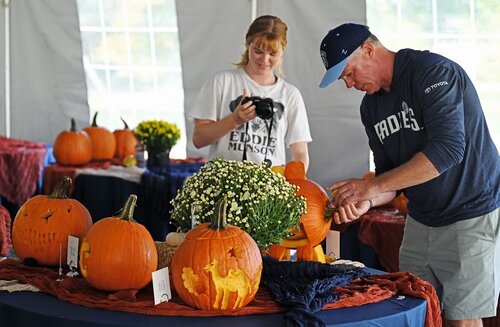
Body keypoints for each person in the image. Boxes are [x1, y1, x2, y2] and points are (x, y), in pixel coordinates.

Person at [319, 23, 499, 327]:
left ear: (368, 50)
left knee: (461, 320)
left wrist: (371, 186)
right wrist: (368, 201)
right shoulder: (371, 108)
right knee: (418, 311)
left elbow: (448, 150)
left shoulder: (433, 72)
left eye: (348, 73)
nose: (348, 84)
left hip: (469, 214)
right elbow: (391, 178)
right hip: (420, 220)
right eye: (342, 79)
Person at [189, 15, 312, 170]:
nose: (265, 59)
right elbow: (199, 139)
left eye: (272, 53)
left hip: (269, 188)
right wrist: (235, 120)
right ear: (248, 44)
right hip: (221, 186)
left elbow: (300, 152)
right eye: (258, 51)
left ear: (282, 52)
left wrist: (294, 184)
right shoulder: (222, 82)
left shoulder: (290, 95)